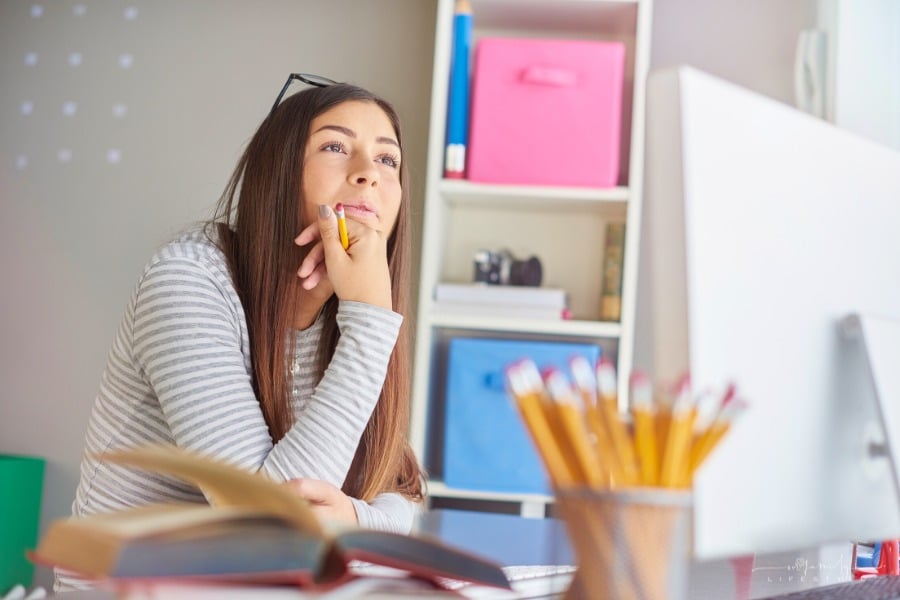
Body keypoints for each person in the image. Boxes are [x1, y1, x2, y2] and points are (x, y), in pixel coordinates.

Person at [56, 74, 426, 591]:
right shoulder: (188, 280)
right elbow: (269, 531)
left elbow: (403, 490)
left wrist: (357, 518)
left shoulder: (348, 307)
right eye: (336, 146)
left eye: (388, 159)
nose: (368, 173)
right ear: (278, 173)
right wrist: (370, 320)